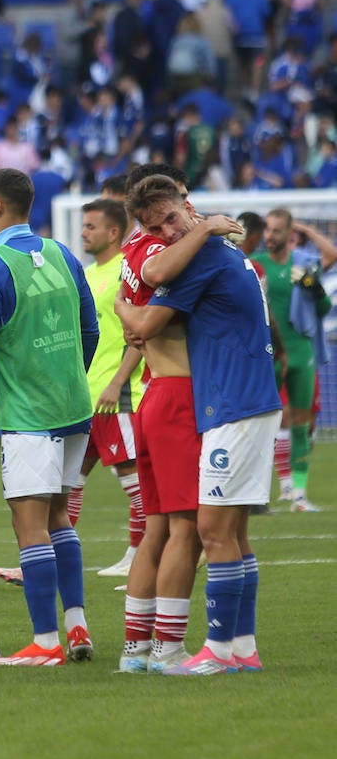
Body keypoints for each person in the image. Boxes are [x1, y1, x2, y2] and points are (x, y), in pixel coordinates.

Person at [116, 176, 281, 674]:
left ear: (188, 203)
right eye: (155, 225)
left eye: (172, 218)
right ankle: (235, 648)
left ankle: (204, 650)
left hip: (222, 401)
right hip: (227, 398)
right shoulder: (212, 248)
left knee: (201, 529)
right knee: (220, 531)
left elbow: (144, 327)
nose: (168, 231)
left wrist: (117, 303)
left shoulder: (200, 253)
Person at [0, 168, 99, 667]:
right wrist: (67, 375)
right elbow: (89, 328)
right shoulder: (62, 254)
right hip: (73, 406)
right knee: (58, 518)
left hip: (30, 414)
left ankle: (45, 643)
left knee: (28, 524)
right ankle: (76, 627)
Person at [73, 199, 147, 580]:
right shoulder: (85, 274)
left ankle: (140, 554)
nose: (84, 232)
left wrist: (118, 381)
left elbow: (139, 333)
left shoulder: (127, 271)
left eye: (90, 226)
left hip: (114, 395)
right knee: (68, 480)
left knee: (133, 477)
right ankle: (52, 557)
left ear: (114, 232)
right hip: (83, 396)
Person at [250, 209, 335, 512]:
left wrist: (313, 286)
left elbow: (323, 308)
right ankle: (258, 494)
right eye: (267, 231)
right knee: (260, 423)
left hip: (301, 352)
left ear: (289, 234)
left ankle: (298, 495)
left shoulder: (303, 266)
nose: (270, 236)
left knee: (301, 424)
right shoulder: (257, 267)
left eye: (275, 231)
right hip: (268, 354)